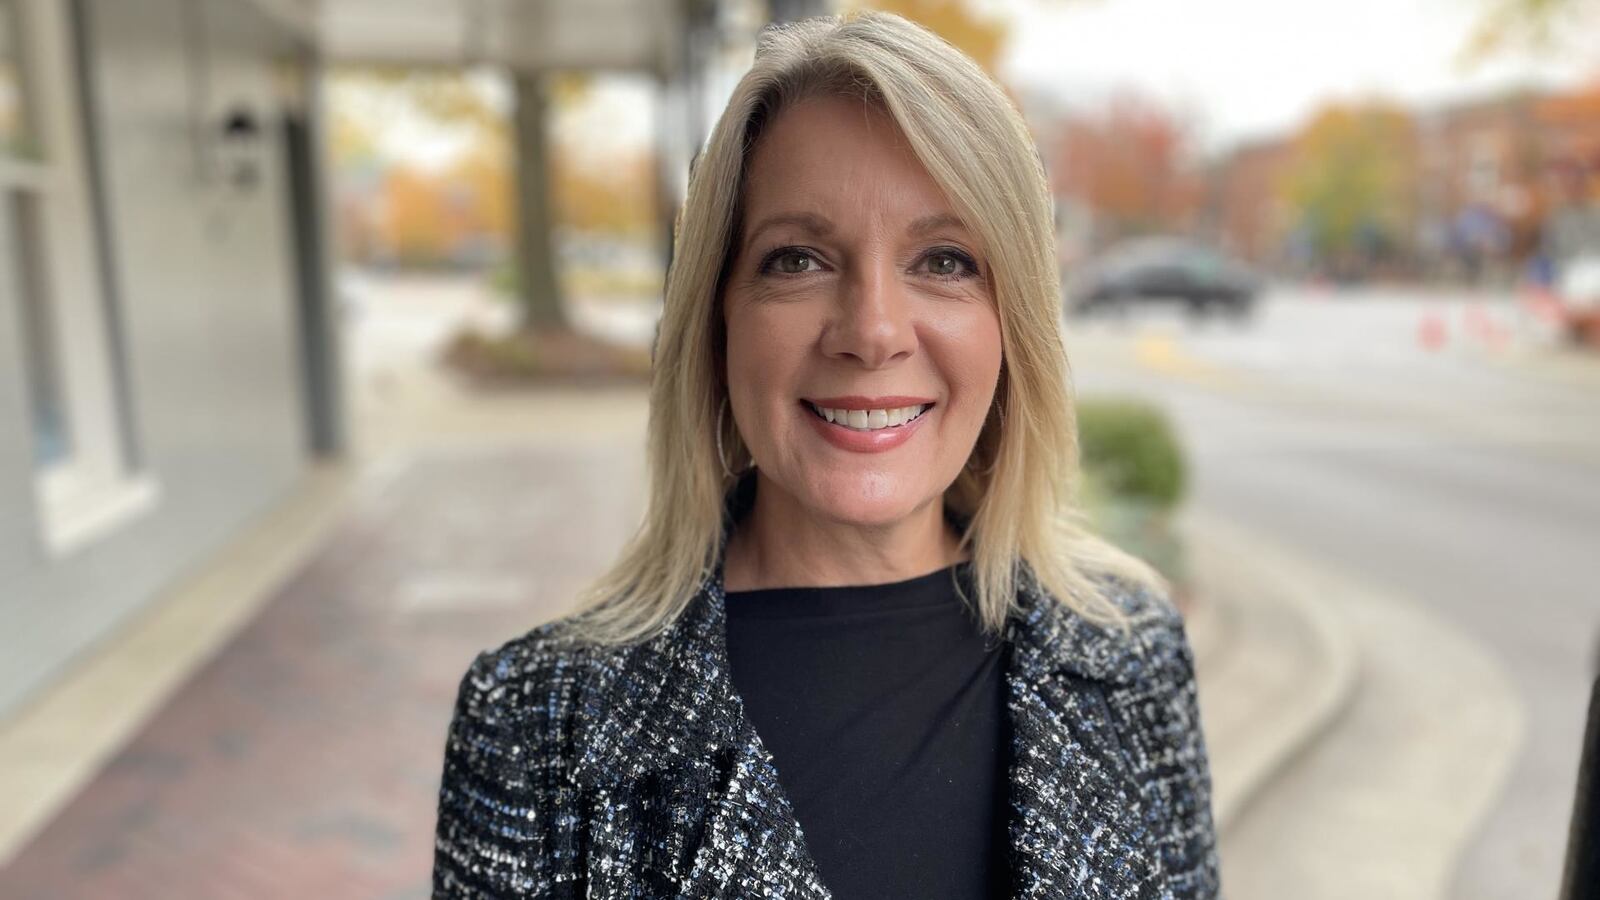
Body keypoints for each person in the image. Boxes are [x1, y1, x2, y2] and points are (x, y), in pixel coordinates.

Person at [431, 11, 1220, 899]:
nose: (873, 332)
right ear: (720, 314)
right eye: (798, 258)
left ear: (1015, 325)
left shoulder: (1132, 654)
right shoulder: (536, 725)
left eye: (947, 259)